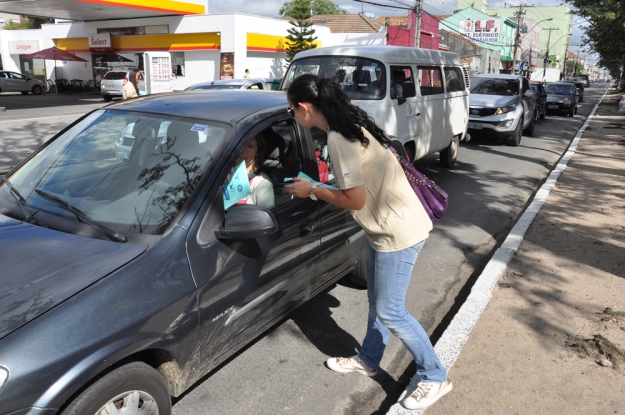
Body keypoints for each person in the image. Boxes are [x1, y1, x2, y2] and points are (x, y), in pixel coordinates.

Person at [285, 74, 451, 411]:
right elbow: (360, 180)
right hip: (386, 227)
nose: (294, 117)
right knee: (379, 301)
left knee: (391, 310)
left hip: (396, 234)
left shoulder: (338, 139)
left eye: (292, 111)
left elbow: (355, 200)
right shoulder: (350, 125)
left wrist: (312, 190)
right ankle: (369, 358)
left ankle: (434, 376)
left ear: (304, 108)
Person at [233, 133, 274, 208]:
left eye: (250, 146)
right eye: (241, 144)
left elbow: (265, 217)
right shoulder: (222, 174)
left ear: (257, 152)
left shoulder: (261, 182)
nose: (244, 150)